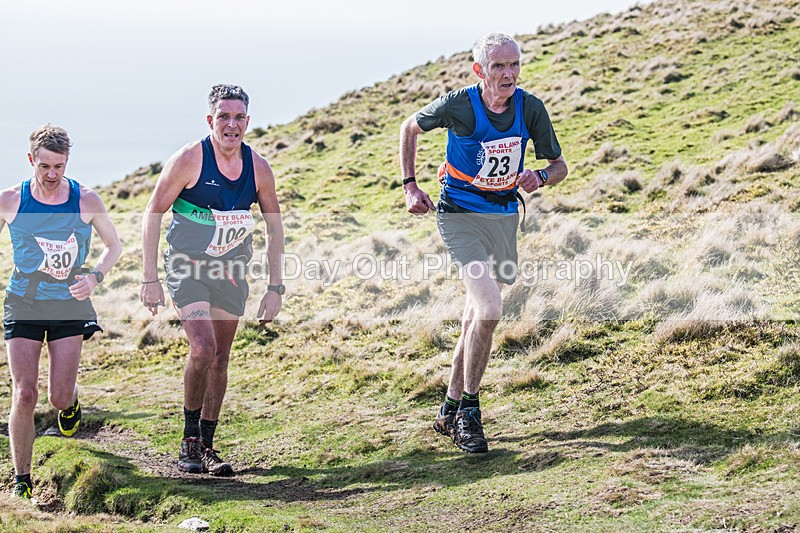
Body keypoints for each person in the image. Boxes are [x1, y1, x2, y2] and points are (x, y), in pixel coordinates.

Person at [399, 33, 568, 453]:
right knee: (490, 309)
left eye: (514, 65)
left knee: (477, 315)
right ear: (480, 70)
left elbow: (559, 165)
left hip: (503, 218)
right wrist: (410, 186)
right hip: (459, 216)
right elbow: (409, 127)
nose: (508, 73)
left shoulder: (530, 108)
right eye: (498, 66)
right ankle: (470, 415)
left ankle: (450, 406)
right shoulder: (459, 104)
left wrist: (540, 177)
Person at [140, 84, 285, 476]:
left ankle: (207, 444)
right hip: (187, 267)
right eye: (224, 116)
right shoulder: (188, 160)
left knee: (221, 358)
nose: (231, 124)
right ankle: (188, 440)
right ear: (210, 120)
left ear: (248, 122)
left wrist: (275, 288)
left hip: (232, 272)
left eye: (239, 117)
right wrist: (149, 278)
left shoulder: (259, 168)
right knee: (202, 349)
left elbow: (274, 227)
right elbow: (153, 213)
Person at [0, 125, 121, 498]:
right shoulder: (10, 200)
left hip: (70, 300)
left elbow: (113, 245)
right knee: (24, 393)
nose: (52, 174)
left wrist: (95, 278)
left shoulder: (86, 199)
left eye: (60, 166)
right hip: (24, 301)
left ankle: (70, 407)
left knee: (58, 398)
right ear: (31, 160)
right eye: (45, 166)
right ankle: (22, 479)